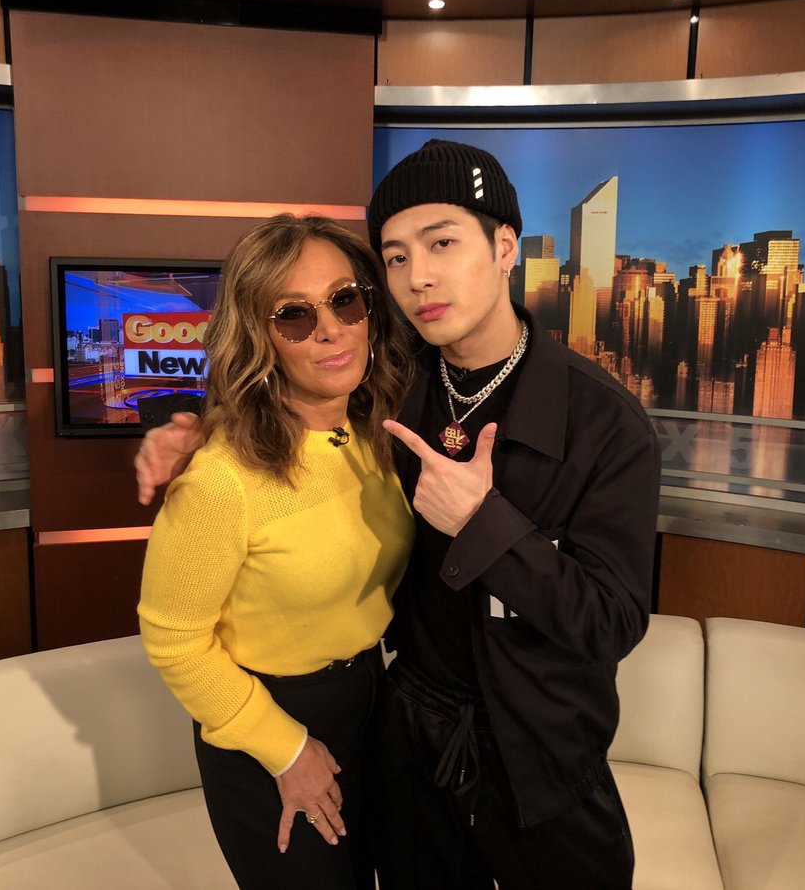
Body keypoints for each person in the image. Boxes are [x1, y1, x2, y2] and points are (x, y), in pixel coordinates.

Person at [136, 140, 662, 890]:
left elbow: (613, 621)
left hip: (543, 750)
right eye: (396, 257)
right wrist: (186, 426)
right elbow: (277, 392)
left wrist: (486, 524)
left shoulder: (604, 423)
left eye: (442, 243)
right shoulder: (394, 383)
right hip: (409, 742)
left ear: (504, 247)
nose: (420, 277)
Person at [137, 214, 415, 890]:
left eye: (345, 300)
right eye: (294, 315)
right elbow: (174, 643)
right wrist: (286, 750)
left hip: (370, 699)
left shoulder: (378, 432)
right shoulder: (220, 479)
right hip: (268, 724)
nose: (331, 329)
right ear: (258, 337)